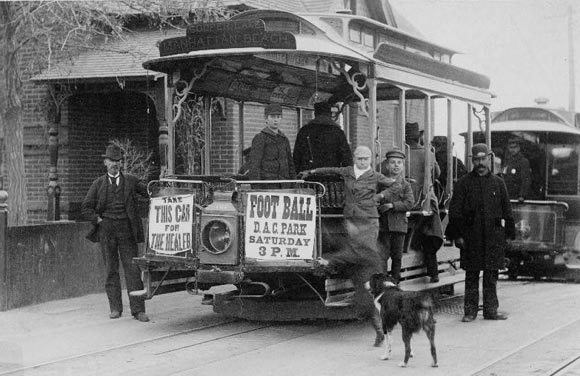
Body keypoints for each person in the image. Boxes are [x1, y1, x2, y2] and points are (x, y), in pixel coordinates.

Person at [300, 145, 396, 347]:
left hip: (368, 219)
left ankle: (381, 325)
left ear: (370, 159)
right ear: (354, 159)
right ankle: (379, 327)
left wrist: (380, 197)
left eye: (366, 158)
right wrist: (312, 172)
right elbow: (331, 171)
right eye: (360, 158)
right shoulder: (348, 172)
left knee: (363, 263)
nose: (363, 162)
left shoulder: (375, 175)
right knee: (362, 281)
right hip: (351, 218)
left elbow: (397, 186)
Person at [447, 143, 515, 322]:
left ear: (489, 159)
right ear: (472, 160)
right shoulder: (463, 183)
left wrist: (508, 235)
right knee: (471, 274)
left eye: (483, 159)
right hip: (471, 237)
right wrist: (458, 235)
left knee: (491, 275)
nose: (480, 163)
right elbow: (455, 212)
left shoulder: (498, 183)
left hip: (493, 236)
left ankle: (491, 311)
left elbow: (507, 210)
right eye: (476, 159)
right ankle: (470, 312)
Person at [81, 144, 150, 322]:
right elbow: (86, 208)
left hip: (127, 231)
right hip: (107, 231)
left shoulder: (131, 181)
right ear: (105, 162)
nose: (115, 164)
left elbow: (150, 192)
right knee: (111, 269)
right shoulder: (98, 184)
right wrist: (99, 221)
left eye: (118, 161)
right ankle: (115, 308)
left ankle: (138, 310)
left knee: (133, 270)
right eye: (112, 161)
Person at [377, 149, 414, 284]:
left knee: (397, 257)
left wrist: (392, 205)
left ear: (403, 166)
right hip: (384, 226)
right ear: (387, 165)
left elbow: (409, 203)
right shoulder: (380, 183)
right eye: (392, 162)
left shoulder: (405, 185)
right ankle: (383, 284)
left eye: (399, 163)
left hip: (399, 226)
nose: (396, 165)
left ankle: (395, 282)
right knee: (382, 256)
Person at [293, 101, 352, 173]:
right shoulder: (338, 132)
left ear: (315, 114)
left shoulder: (304, 131)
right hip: (333, 177)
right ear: (330, 114)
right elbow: (346, 158)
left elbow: (296, 157)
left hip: (310, 178)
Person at [248, 103, 295, 181]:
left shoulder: (284, 139)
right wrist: (257, 188)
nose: (276, 120)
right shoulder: (260, 138)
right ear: (266, 118)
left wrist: (294, 184)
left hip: (285, 185)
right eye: (272, 117)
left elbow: (290, 164)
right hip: (267, 185)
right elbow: (254, 166)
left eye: (278, 117)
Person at [405, 122, 440, 205]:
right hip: (424, 197)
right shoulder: (429, 153)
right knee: (434, 207)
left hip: (403, 195)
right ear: (419, 138)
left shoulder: (399, 154)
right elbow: (437, 174)